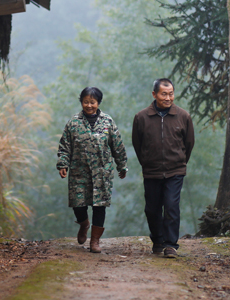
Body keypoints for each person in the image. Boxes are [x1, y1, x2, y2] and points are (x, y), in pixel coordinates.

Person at [56, 87, 127, 253]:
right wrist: (63, 164)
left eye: (92, 102)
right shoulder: (73, 123)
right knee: (78, 204)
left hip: (102, 173)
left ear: (98, 103)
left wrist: (121, 165)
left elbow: (117, 145)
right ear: (81, 102)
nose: (89, 105)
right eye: (86, 102)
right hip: (79, 172)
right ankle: (83, 224)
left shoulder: (108, 122)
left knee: (99, 206)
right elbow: (65, 146)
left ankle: (95, 241)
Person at [132, 78, 194, 258]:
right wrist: (146, 162)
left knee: (171, 206)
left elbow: (189, 143)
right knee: (152, 209)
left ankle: (170, 245)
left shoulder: (183, 116)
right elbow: (138, 144)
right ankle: (158, 240)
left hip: (175, 171)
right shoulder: (141, 117)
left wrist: (180, 162)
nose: (168, 98)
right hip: (151, 171)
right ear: (154, 95)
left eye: (171, 94)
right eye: (164, 94)